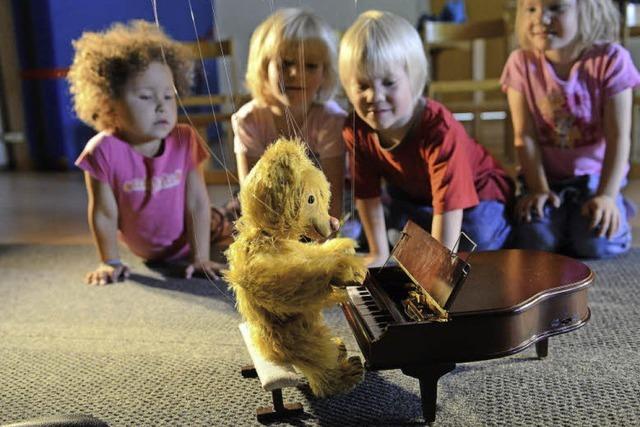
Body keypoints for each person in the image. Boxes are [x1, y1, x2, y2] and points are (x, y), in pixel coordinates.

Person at [339, 10, 514, 267]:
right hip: (418, 198)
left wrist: (437, 265)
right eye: (362, 86)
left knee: (477, 238)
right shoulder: (356, 128)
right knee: (388, 231)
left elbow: (450, 205)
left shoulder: (439, 130)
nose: (374, 96)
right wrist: (378, 252)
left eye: (389, 83)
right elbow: (366, 194)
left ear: (414, 79)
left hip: (477, 196)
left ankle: (507, 227)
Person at [68, 20, 225, 285]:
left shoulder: (184, 139)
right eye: (145, 97)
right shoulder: (102, 152)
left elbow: (198, 202)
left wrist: (200, 258)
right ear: (110, 103)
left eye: (168, 96)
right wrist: (110, 261)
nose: (161, 107)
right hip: (152, 252)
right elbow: (104, 213)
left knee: (256, 246)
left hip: (211, 231)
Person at [501, 0, 640, 258]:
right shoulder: (520, 64)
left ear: (586, 9)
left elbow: (618, 137)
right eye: (531, 9)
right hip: (546, 180)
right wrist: (539, 188)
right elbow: (525, 137)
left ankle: (616, 208)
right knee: (534, 241)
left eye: (556, 8)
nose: (541, 19)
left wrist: (607, 196)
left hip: (595, 180)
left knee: (596, 244)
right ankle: (565, 222)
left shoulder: (611, 60)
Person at [232, 8, 346, 218]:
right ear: (264, 66)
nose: (296, 74)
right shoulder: (249, 120)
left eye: (310, 66)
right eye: (285, 64)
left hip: (318, 217)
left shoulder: (331, 121)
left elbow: (333, 201)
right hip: (270, 216)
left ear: (325, 72)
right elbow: (251, 198)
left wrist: (322, 247)